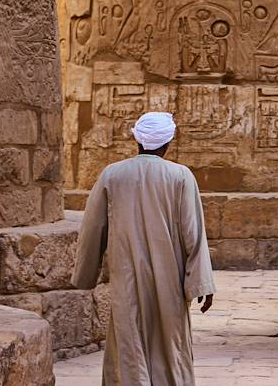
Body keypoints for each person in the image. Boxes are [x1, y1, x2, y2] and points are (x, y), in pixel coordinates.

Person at [72, 111, 216, 385]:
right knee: (169, 343)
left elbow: (92, 229)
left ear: (136, 140)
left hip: (126, 275)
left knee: (129, 339)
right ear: (168, 142)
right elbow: (193, 232)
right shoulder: (181, 176)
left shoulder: (112, 175)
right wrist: (201, 283)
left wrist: (85, 275)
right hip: (169, 278)